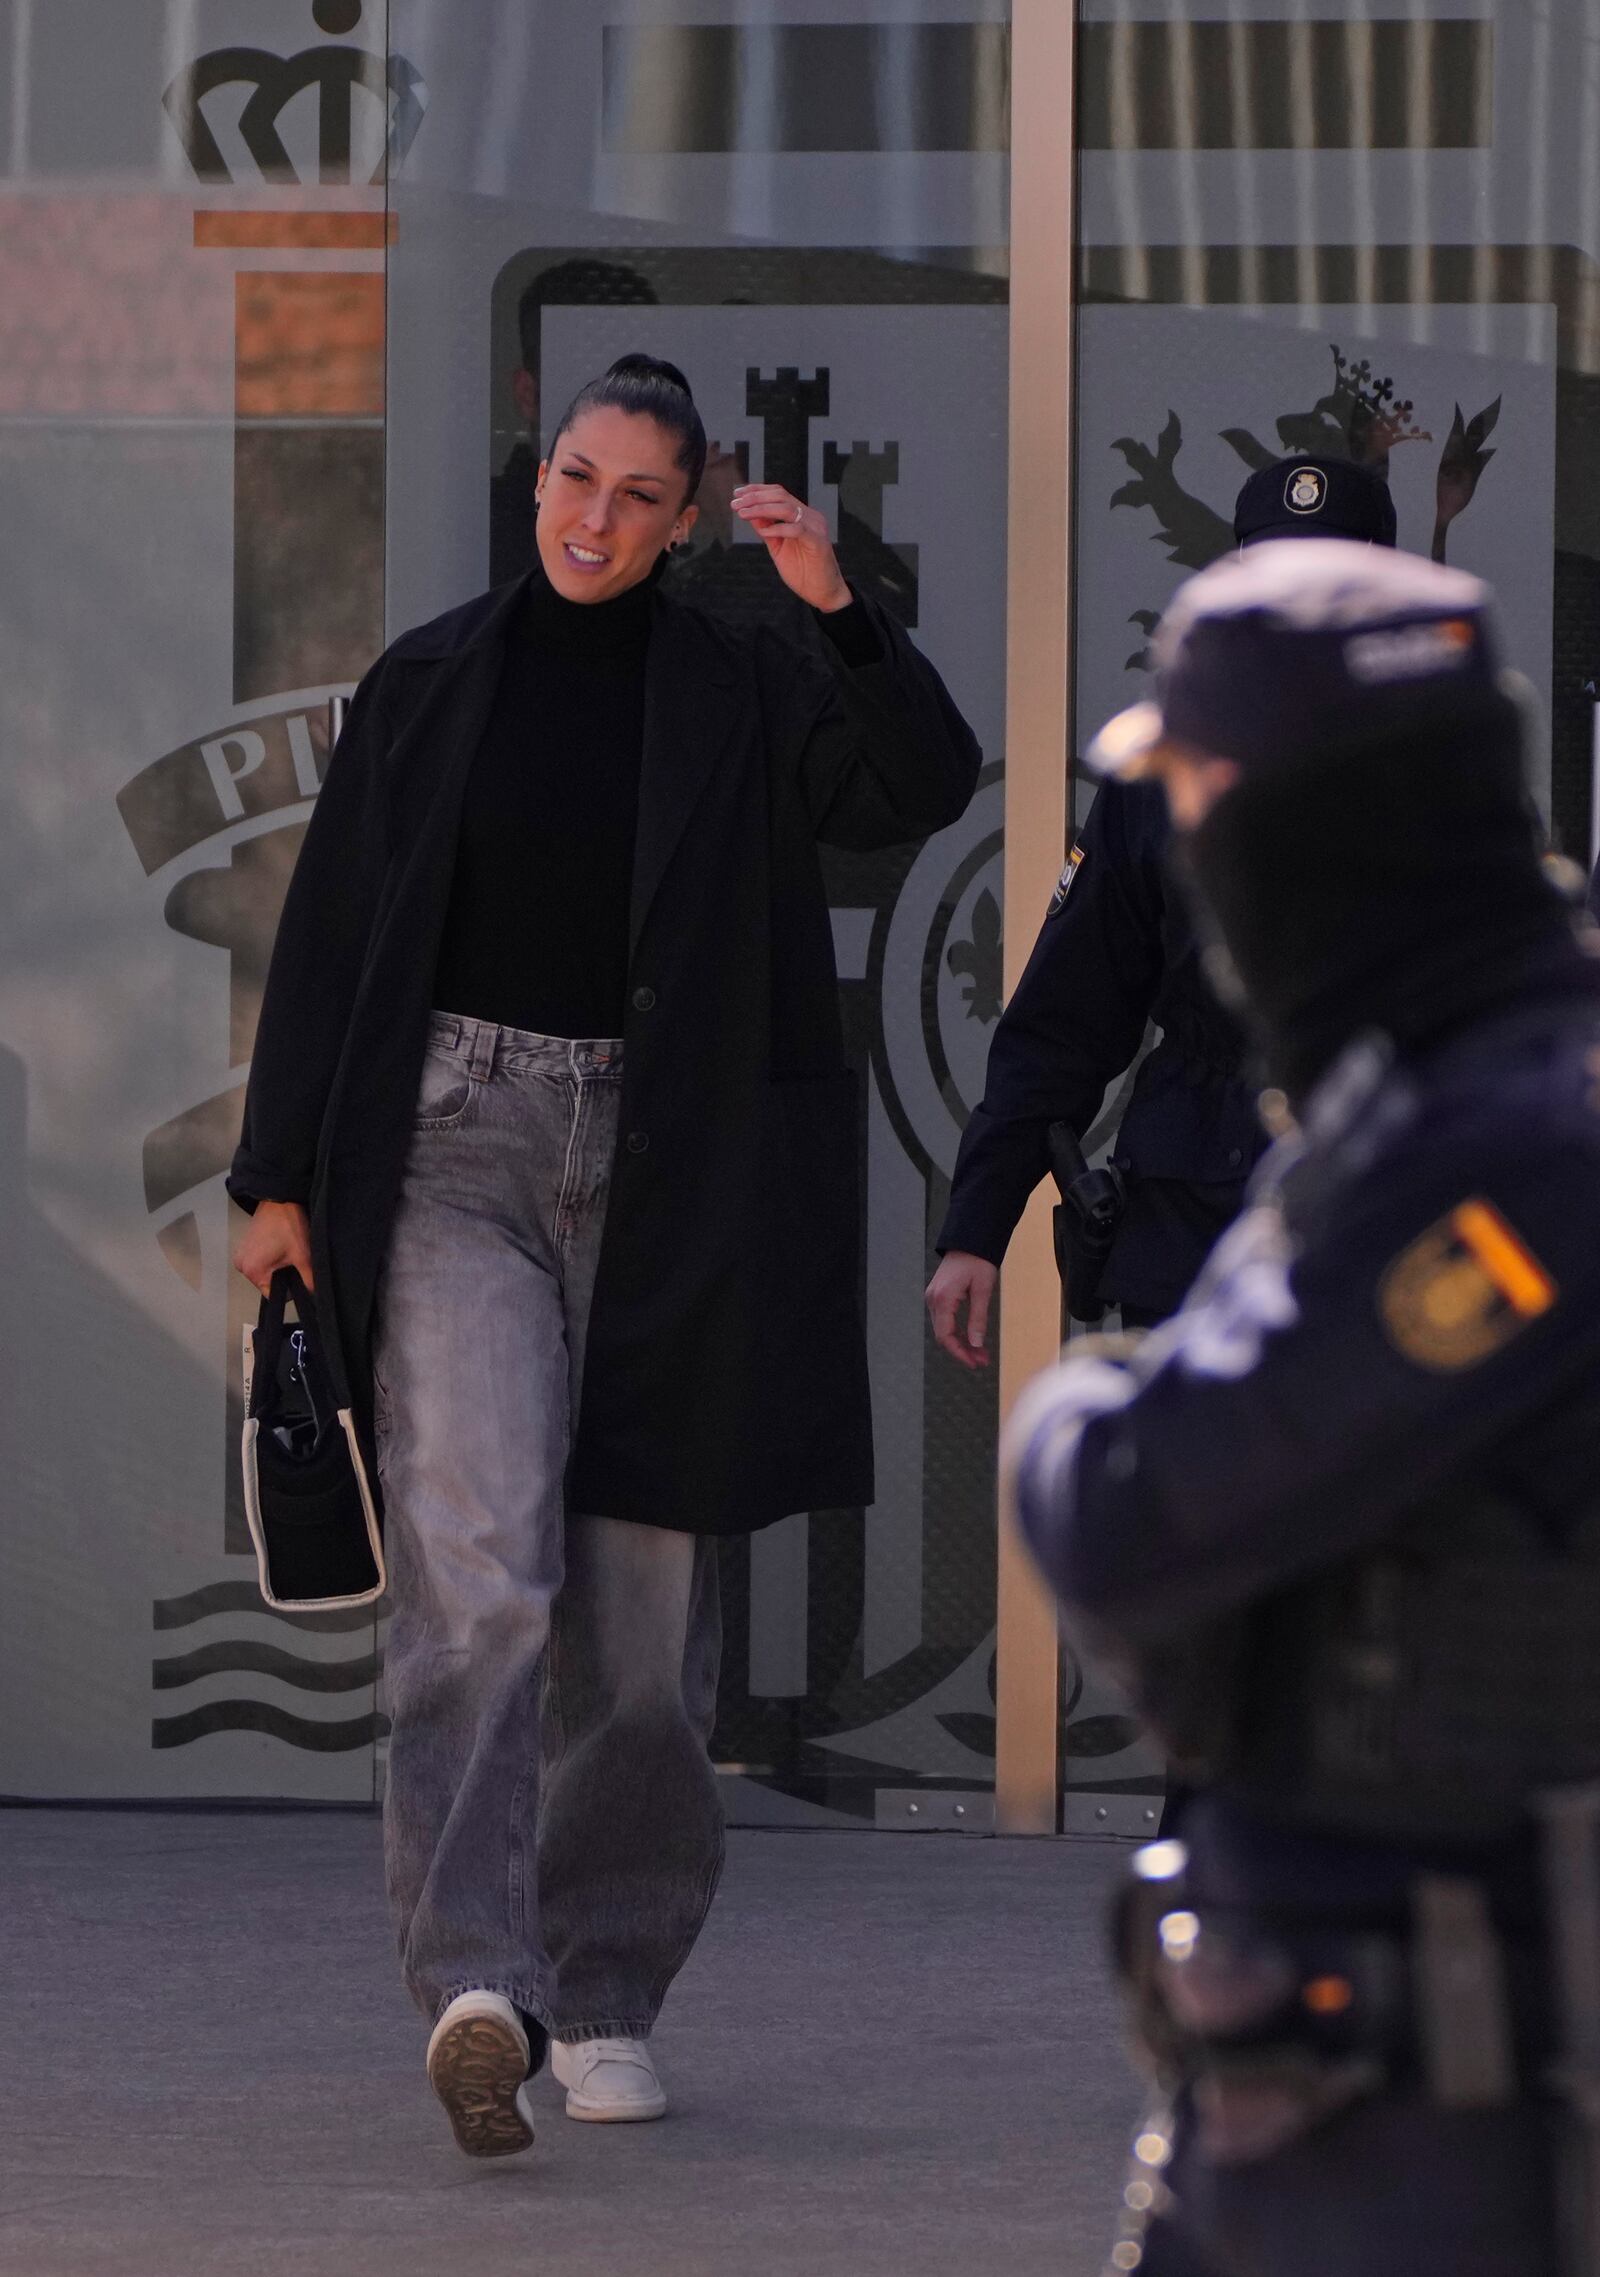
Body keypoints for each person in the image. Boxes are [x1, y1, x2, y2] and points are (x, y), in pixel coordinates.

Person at [229, 353, 981, 2158]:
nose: (596, 519)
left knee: (642, 1627)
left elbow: (925, 780)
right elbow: (334, 929)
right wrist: (276, 1183)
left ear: (692, 507)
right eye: (577, 478)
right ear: (536, 470)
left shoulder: (739, 680)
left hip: (669, 1161)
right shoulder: (431, 680)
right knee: (481, 1558)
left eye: (641, 498)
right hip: (454, 1146)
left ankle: (614, 1986)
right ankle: (481, 1981)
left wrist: (832, 604)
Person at [1005, 537, 1600, 2277]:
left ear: (1300, 817)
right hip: (1358, 2088)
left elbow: (1131, 1504)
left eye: (1198, 796)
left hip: (1437, 2125)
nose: (1187, 850)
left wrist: (1072, 1407)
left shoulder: (1509, 1162)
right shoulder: (1434, 1095)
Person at [927, 453, 1398, 1364]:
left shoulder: (1444, 772)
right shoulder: (1163, 776)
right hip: (1193, 1227)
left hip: (1375, 1221)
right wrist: (977, 1224)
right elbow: (1066, 1018)